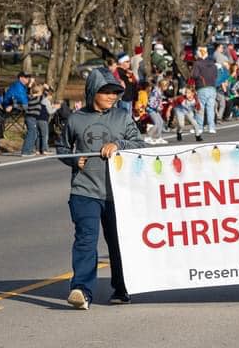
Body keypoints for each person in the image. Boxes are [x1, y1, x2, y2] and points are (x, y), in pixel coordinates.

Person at [56, 67, 147, 310]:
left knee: (118, 242)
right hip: (84, 191)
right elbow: (62, 149)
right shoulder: (75, 119)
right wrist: (75, 159)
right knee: (86, 239)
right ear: (92, 92)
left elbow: (141, 144)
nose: (111, 96)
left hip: (116, 192)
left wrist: (119, 144)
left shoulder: (122, 117)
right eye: (106, 92)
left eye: (115, 92)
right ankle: (81, 290)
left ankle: (122, 288)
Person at [191, 47, 219, 134]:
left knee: (200, 108)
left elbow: (194, 75)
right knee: (210, 109)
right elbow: (216, 75)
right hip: (212, 88)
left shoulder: (197, 63)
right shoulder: (213, 64)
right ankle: (211, 127)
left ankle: (199, 127)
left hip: (202, 87)